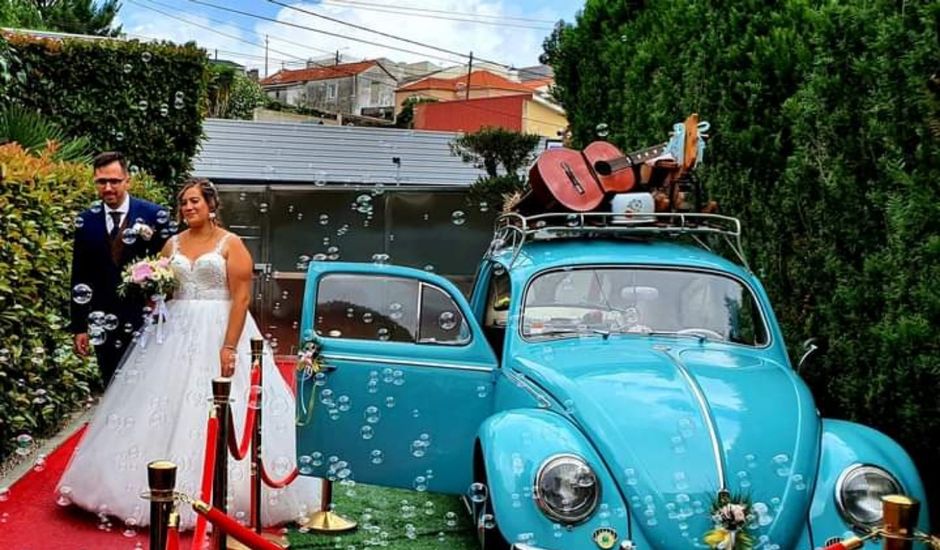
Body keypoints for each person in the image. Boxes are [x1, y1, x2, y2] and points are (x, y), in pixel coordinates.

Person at [57, 178, 319, 530]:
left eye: (195, 201)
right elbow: (164, 288)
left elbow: (241, 298)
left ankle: (224, 492)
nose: (188, 208)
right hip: (173, 331)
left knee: (223, 404)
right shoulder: (171, 244)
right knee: (157, 401)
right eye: (183, 203)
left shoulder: (231, 244)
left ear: (211, 205)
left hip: (220, 326)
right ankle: (144, 486)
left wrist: (229, 346)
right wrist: (147, 284)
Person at [69, 151, 169, 388]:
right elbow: (79, 275)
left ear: (127, 181)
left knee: (147, 387)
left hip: (147, 319)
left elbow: (170, 266)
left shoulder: (153, 216)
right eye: (101, 181)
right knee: (112, 386)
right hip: (104, 321)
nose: (108, 187)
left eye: (114, 181)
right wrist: (80, 327)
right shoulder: (86, 221)